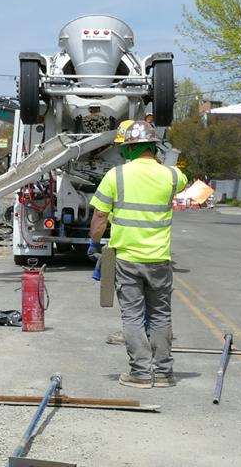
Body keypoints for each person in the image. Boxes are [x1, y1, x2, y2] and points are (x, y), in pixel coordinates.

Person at [88, 120, 187, 389]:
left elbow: (100, 215)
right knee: (160, 315)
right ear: (154, 147)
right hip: (159, 259)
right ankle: (165, 373)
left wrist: (95, 241)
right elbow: (182, 180)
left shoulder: (116, 176)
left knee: (132, 316)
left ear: (130, 148)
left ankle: (141, 373)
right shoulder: (172, 176)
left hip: (128, 259)